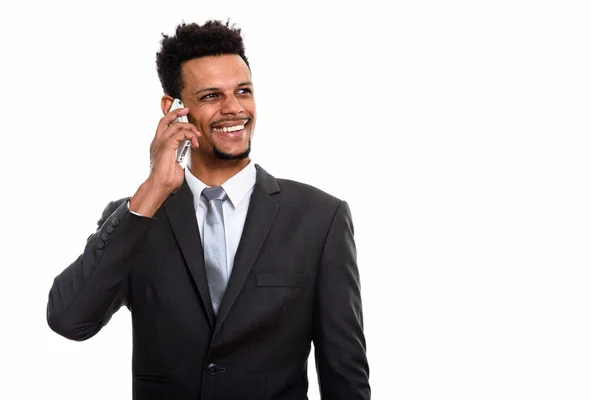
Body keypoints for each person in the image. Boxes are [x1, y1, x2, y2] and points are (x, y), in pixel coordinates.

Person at [46, 19, 370, 400]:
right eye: (211, 96)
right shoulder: (138, 217)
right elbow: (70, 320)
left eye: (243, 91)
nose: (234, 109)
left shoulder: (320, 218)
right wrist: (153, 189)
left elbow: (344, 376)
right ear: (174, 109)